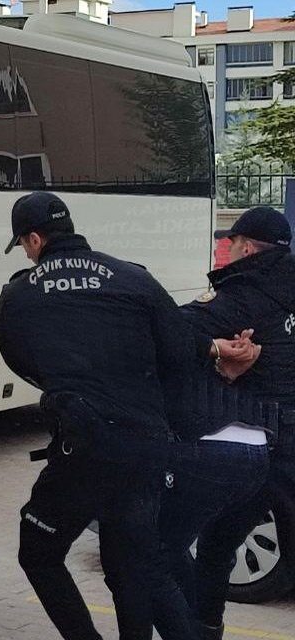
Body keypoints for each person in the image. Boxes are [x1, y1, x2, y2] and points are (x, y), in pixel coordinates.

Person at [0, 191, 256, 640]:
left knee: (38, 550)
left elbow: (18, 358)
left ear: (34, 239)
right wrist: (211, 351)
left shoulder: (20, 293)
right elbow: (177, 349)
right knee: (130, 564)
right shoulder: (132, 277)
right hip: (146, 447)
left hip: (85, 450)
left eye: (23, 243)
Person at [182, 207, 294, 640]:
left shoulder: (242, 293)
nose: (227, 252)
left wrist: (217, 353)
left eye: (231, 244)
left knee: (215, 544)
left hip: (263, 444)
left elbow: (174, 331)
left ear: (246, 247)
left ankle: (205, 630)